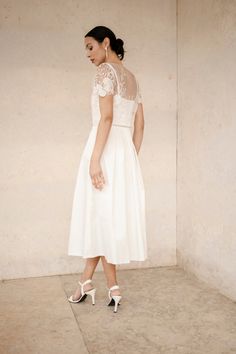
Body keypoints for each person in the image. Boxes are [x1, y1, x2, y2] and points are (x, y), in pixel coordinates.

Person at [67, 26, 147, 313]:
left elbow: (107, 118)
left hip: (103, 148)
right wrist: (130, 160)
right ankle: (101, 285)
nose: (88, 54)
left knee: (100, 218)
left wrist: (95, 159)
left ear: (106, 43)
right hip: (124, 153)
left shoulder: (104, 73)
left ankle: (91, 284)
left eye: (90, 47)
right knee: (105, 220)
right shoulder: (134, 79)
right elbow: (139, 125)